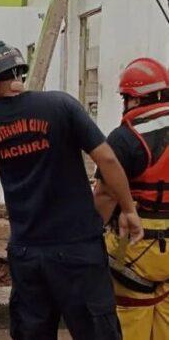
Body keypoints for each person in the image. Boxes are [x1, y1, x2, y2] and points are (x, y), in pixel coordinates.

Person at [0, 40, 143, 340]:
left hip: (28, 254)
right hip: (78, 250)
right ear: (18, 73)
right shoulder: (61, 105)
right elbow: (107, 159)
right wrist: (129, 210)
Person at [94, 58, 169, 340]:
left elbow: (104, 194)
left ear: (133, 99)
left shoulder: (125, 138)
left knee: (129, 318)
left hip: (135, 248)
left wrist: (90, 234)